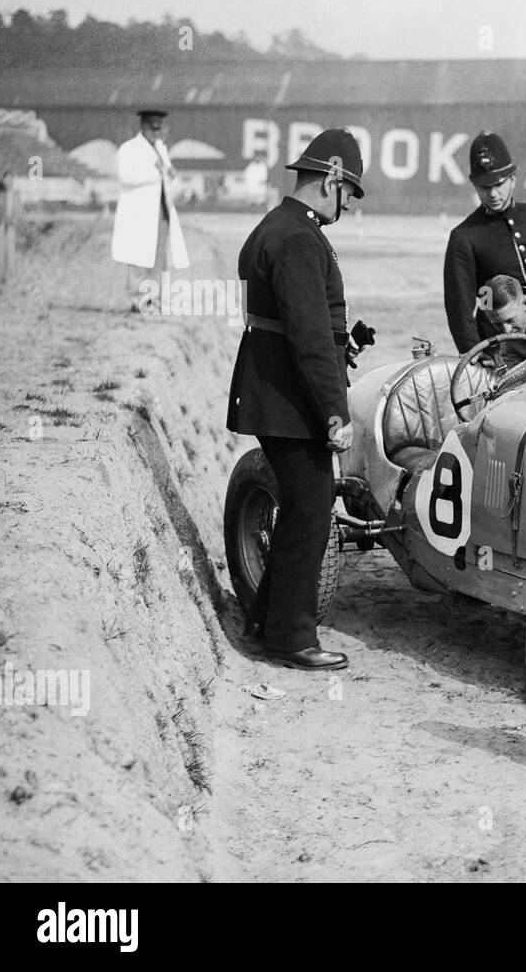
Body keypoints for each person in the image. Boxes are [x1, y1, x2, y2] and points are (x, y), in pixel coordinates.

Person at [226, 128, 366, 672]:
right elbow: (309, 338)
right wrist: (335, 412)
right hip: (289, 396)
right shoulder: (299, 238)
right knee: (309, 511)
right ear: (330, 176)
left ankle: (266, 619)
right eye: (349, 190)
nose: (350, 204)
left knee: (300, 509)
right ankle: (290, 638)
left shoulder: (280, 226)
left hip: (276, 389)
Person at [443, 131, 526, 354]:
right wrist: (474, 351)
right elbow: (460, 306)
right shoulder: (464, 236)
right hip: (502, 344)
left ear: (513, 178)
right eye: (484, 187)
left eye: (499, 184)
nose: (493, 193)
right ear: (475, 186)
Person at [111, 108, 188, 312]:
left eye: (159, 129)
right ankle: (138, 299)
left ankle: (154, 299)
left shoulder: (161, 149)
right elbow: (125, 177)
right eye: (153, 128)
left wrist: (170, 176)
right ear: (143, 127)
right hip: (139, 211)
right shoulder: (129, 149)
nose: (157, 133)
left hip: (161, 210)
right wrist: (156, 174)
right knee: (138, 257)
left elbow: (167, 174)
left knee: (159, 259)